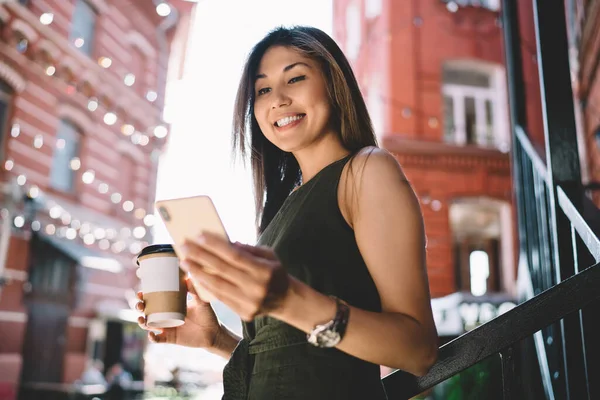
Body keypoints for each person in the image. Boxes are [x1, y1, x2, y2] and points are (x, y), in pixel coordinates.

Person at [136, 26, 438, 399]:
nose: (277, 99)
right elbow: (297, 363)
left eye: (294, 78)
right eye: (262, 90)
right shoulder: (282, 211)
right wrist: (216, 340)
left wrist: (288, 300)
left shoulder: (366, 171)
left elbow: (418, 350)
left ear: (333, 84)